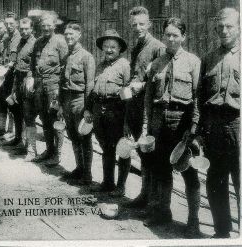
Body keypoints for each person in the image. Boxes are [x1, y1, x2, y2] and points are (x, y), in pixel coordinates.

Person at [143, 18, 201, 235]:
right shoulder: (157, 63)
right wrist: (147, 125)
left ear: (183, 37)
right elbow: (149, 97)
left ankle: (193, 220)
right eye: (167, 34)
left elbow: (197, 97)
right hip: (159, 120)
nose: (170, 38)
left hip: (181, 120)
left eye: (175, 35)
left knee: (188, 171)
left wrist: (193, 127)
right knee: (161, 169)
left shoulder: (193, 62)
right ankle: (163, 212)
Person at [197, 8, 240, 239]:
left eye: (229, 26)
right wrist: (201, 129)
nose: (224, 31)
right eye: (220, 27)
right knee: (216, 181)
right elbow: (200, 98)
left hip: (238, 125)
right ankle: (222, 232)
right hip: (214, 127)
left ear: (239, 27)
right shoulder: (209, 58)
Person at [122, 6, 166, 203]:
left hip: (150, 107)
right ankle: (145, 194)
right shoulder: (137, 47)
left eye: (141, 24)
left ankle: (152, 198)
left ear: (149, 24)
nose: (138, 27)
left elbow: (162, 80)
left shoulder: (158, 47)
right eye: (134, 25)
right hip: (135, 105)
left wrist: (143, 85)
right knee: (141, 150)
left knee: (150, 151)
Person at [85, 29, 130, 192]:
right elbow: (93, 90)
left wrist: (127, 121)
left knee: (122, 149)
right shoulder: (100, 66)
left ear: (119, 49)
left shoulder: (124, 66)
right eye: (106, 46)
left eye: (113, 47)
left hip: (116, 111)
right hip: (99, 111)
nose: (109, 50)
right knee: (106, 148)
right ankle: (107, 183)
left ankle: (121, 186)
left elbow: (129, 95)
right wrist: (88, 109)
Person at [30, 12, 68, 165]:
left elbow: (66, 66)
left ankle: (57, 155)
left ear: (54, 25)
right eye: (43, 25)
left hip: (54, 86)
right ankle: (49, 150)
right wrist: (30, 78)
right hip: (40, 85)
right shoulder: (38, 42)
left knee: (55, 120)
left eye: (49, 25)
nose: (46, 28)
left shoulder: (60, 41)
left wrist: (61, 90)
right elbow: (33, 65)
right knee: (44, 119)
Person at [60, 23, 95, 185]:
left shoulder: (87, 56)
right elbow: (62, 82)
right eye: (66, 34)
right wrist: (60, 104)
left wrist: (88, 108)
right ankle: (79, 168)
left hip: (80, 100)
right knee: (73, 135)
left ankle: (87, 175)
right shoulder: (66, 56)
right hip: (67, 100)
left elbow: (89, 85)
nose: (68, 37)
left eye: (71, 34)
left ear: (79, 35)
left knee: (84, 137)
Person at [7, 17, 37, 158]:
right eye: (22, 29)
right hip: (18, 79)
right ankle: (20, 141)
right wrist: (14, 86)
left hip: (28, 81)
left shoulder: (35, 44)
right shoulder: (20, 42)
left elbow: (35, 65)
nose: (24, 31)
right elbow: (17, 64)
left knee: (28, 114)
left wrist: (30, 81)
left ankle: (31, 150)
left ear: (32, 29)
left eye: (27, 29)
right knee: (17, 111)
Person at [0, 12, 21, 138]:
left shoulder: (20, 38)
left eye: (12, 23)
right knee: (2, 101)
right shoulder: (5, 39)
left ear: (17, 23)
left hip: (14, 76)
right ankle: (3, 129)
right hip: (3, 75)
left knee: (13, 104)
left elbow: (17, 59)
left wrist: (10, 65)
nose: (9, 26)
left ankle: (11, 131)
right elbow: (1, 55)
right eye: (7, 23)